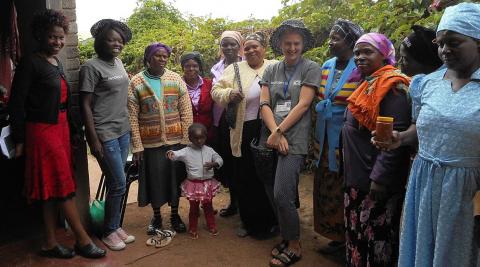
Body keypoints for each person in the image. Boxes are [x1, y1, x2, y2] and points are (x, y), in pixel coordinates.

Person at [375, 3, 480, 266]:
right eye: (440, 42)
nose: (445, 50)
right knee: (422, 246)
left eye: (454, 42)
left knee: (460, 252)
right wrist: (400, 139)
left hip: (467, 190)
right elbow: (420, 129)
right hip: (424, 180)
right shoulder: (427, 83)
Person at [8, 10, 105, 259]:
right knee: (62, 185)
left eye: (61, 38)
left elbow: (63, 100)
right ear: (41, 35)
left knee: (51, 188)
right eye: (53, 37)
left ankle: (49, 243)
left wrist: (73, 130)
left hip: (60, 128)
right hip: (42, 132)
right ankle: (82, 240)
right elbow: (17, 104)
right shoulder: (31, 63)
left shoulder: (57, 62)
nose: (58, 42)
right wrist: (19, 138)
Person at [342, 33, 411, 266]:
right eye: (357, 53)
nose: (360, 57)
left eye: (367, 52)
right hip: (358, 174)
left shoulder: (392, 87)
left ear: (384, 55)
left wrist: (379, 178)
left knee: (376, 238)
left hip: (374, 179)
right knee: (358, 233)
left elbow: (395, 135)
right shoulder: (367, 83)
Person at [259, 19, 321, 266]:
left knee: (282, 193)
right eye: (288, 43)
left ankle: (294, 244)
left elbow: (304, 104)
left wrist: (281, 131)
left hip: (293, 140)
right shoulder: (271, 69)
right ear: (280, 45)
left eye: (296, 43)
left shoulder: (311, 68)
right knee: (274, 192)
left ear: (303, 44)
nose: (292, 48)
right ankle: (286, 237)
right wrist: (275, 132)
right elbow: (265, 104)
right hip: (273, 137)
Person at [211, 32, 277, 238]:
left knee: (267, 175)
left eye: (254, 46)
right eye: (246, 47)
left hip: (270, 128)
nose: (250, 50)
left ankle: (273, 219)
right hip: (243, 129)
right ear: (242, 50)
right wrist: (229, 94)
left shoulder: (274, 66)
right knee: (245, 176)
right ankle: (250, 223)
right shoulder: (234, 69)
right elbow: (215, 91)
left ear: (263, 48)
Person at [79, 19, 135, 251]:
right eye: (111, 39)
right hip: (105, 132)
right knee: (119, 183)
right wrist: (92, 138)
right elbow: (85, 105)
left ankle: (114, 225)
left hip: (122, 130)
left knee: (118, 182)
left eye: (119, 40)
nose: (116, 44)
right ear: (100, 42)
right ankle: (109, 231)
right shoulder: (91, 67)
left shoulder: (119, 63)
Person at [127, 42, 192, 236]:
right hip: (150, 143)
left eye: (165, 56)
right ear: (148, 58)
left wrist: (187, 140)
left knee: (174, 179)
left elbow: (186, 110)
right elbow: (132, 115)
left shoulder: (175, 79)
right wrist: (137, 145)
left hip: (175, 140)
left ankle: (174, 215)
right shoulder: (137, 82)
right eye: (158, 56)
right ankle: (156, 216)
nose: (162, 59)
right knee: (154, 180)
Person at [313, 19, 363, 254]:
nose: (330, 42)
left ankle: (348, 237)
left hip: (345, 138)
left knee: (343, 183)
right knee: (326, 183)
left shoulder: (361, 67)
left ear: (351, 42)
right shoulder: (326, 65)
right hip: (323, 135)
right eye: (330, 37)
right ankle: (334, 235)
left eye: (336, 38)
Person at [166, 123, 223, 239]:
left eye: (202, 137)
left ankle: (211, 225)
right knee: (194, 208)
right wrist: (170, 153)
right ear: (190, 138)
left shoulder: (209, 150)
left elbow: (219, 158)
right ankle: (192, 228)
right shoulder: (187, 151)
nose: (199, 141)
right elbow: (176, 154)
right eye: (195, 138)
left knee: (208, 206)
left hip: (208, 184)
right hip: (193, 185)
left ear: (206, 137)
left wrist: (215, 163)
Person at [211, 31, 243, 218]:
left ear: (239, 46)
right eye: (225, 45)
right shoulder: (217, 68)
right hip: (222, 120)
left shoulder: (248, 64)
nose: (229, 48)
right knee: (229, 163)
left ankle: (246, 203)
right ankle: (234, 202)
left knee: (242, 162)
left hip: (242, 119)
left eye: (233, 44)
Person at [181, 52, 214, 142]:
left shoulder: (209, 84)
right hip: (187, 135)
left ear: (199, 67)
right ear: (183, 68)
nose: (191, 69)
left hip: (208, 134)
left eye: (195, 66)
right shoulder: (178, 85)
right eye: (187, 66)